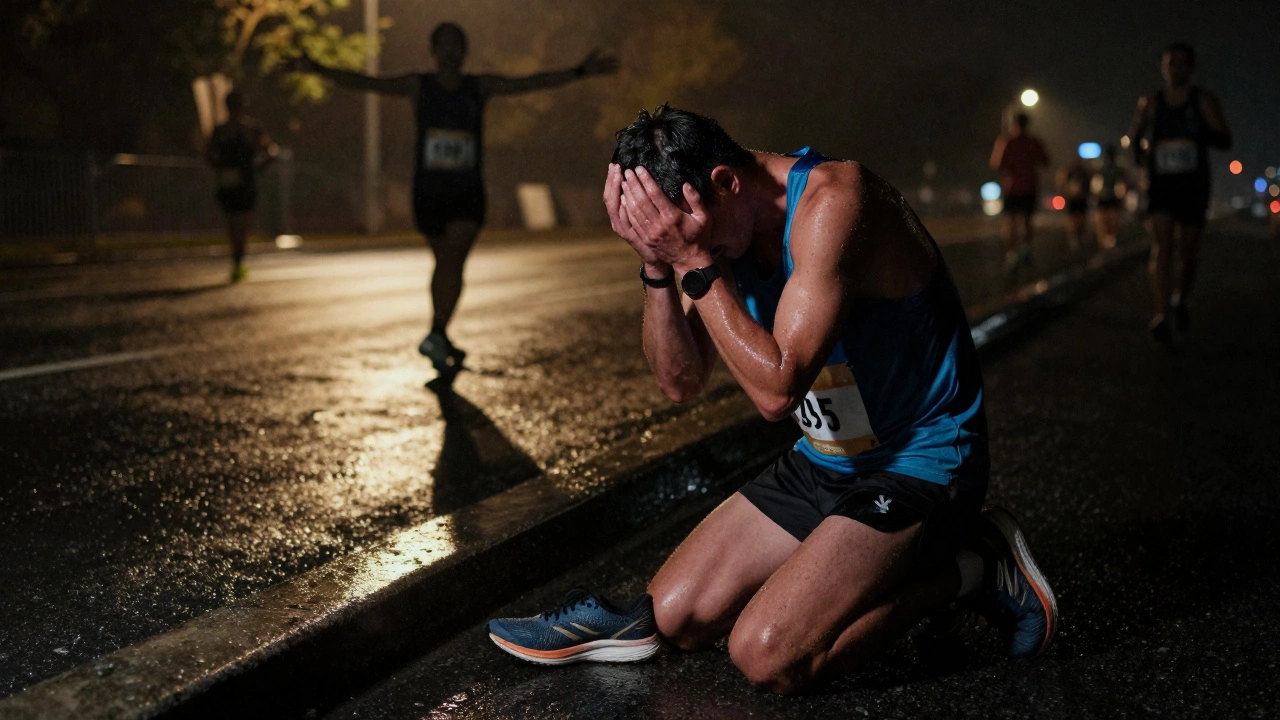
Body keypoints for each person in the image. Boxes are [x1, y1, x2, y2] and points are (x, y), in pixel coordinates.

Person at [486, 106, 1058, 690]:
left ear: (728, 183)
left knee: (767, 655)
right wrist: (657, 267)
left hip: (922, 463)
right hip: (827, 460)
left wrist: (693, 259)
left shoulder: (835, 202)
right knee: (677, 620)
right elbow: (679, 382)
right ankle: (877, 563)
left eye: (691, 232)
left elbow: (777, 392)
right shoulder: (710, 228)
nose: (696, 246)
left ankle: (975, 566)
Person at [290, 23, 618, 377]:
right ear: (433, 50)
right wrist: (319, 69)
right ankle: (438, 332)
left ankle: (437, 332)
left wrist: (578, 72)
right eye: (443, 45)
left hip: (466, 190)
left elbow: (528, 82)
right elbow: (369, 83)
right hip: (429, 190)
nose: (449, 52)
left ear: (463, 51)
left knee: (452, 258)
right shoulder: (419, 86)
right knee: (447, 263)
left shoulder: (479, 86)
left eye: (455, 45)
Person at [1127, 41, 1231, 344]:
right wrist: (1143, 161)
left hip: (1193, 184)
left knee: (1187, 251)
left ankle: (1180, 299)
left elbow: (1225, 139)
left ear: (1192, 68)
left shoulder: (1203, 100)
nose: (1176, 69)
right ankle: (1160, 314)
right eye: (1170, 63)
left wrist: (1199, 131)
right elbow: (1134, 136)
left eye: (1182, 63)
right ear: (1163, 68)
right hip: (1162, 184)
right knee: (1161, 248)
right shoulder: (1151, 102)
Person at [206, 91, 278, 283]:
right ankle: (238, 260)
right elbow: (272, 152)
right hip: (240, 182)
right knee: (237, 223)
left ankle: (238, 259)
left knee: (237, 224)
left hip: (241, 181)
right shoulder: (239, 130)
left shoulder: (245, 130)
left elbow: (271, 151)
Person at [990, 113, 1049, 273]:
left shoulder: (1006, 141)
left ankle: (1012, 253)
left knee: (1010, 221)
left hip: (1012, 188)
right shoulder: (1034, 142)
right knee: (1027, 220)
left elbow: (997, 164)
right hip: (1029, 187)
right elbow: (1045, 161)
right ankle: (1025, 249)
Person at [1091, 145, 1128, 250]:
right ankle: (1106, 240)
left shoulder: (1109, 168)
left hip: (1109, 197)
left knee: (1108, 220)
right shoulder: (1110, 168)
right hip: (1107, 197)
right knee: (1107, 220)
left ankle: (1108, 240)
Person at [1057, 157, 1091, 250]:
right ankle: (1074, 236)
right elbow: (1061, 183)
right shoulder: (1070, 172)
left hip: (1079, 198)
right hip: (1073, 199)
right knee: (1073, 218)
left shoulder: (1083, 173)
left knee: (1079, 218)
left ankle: (1078, 236)